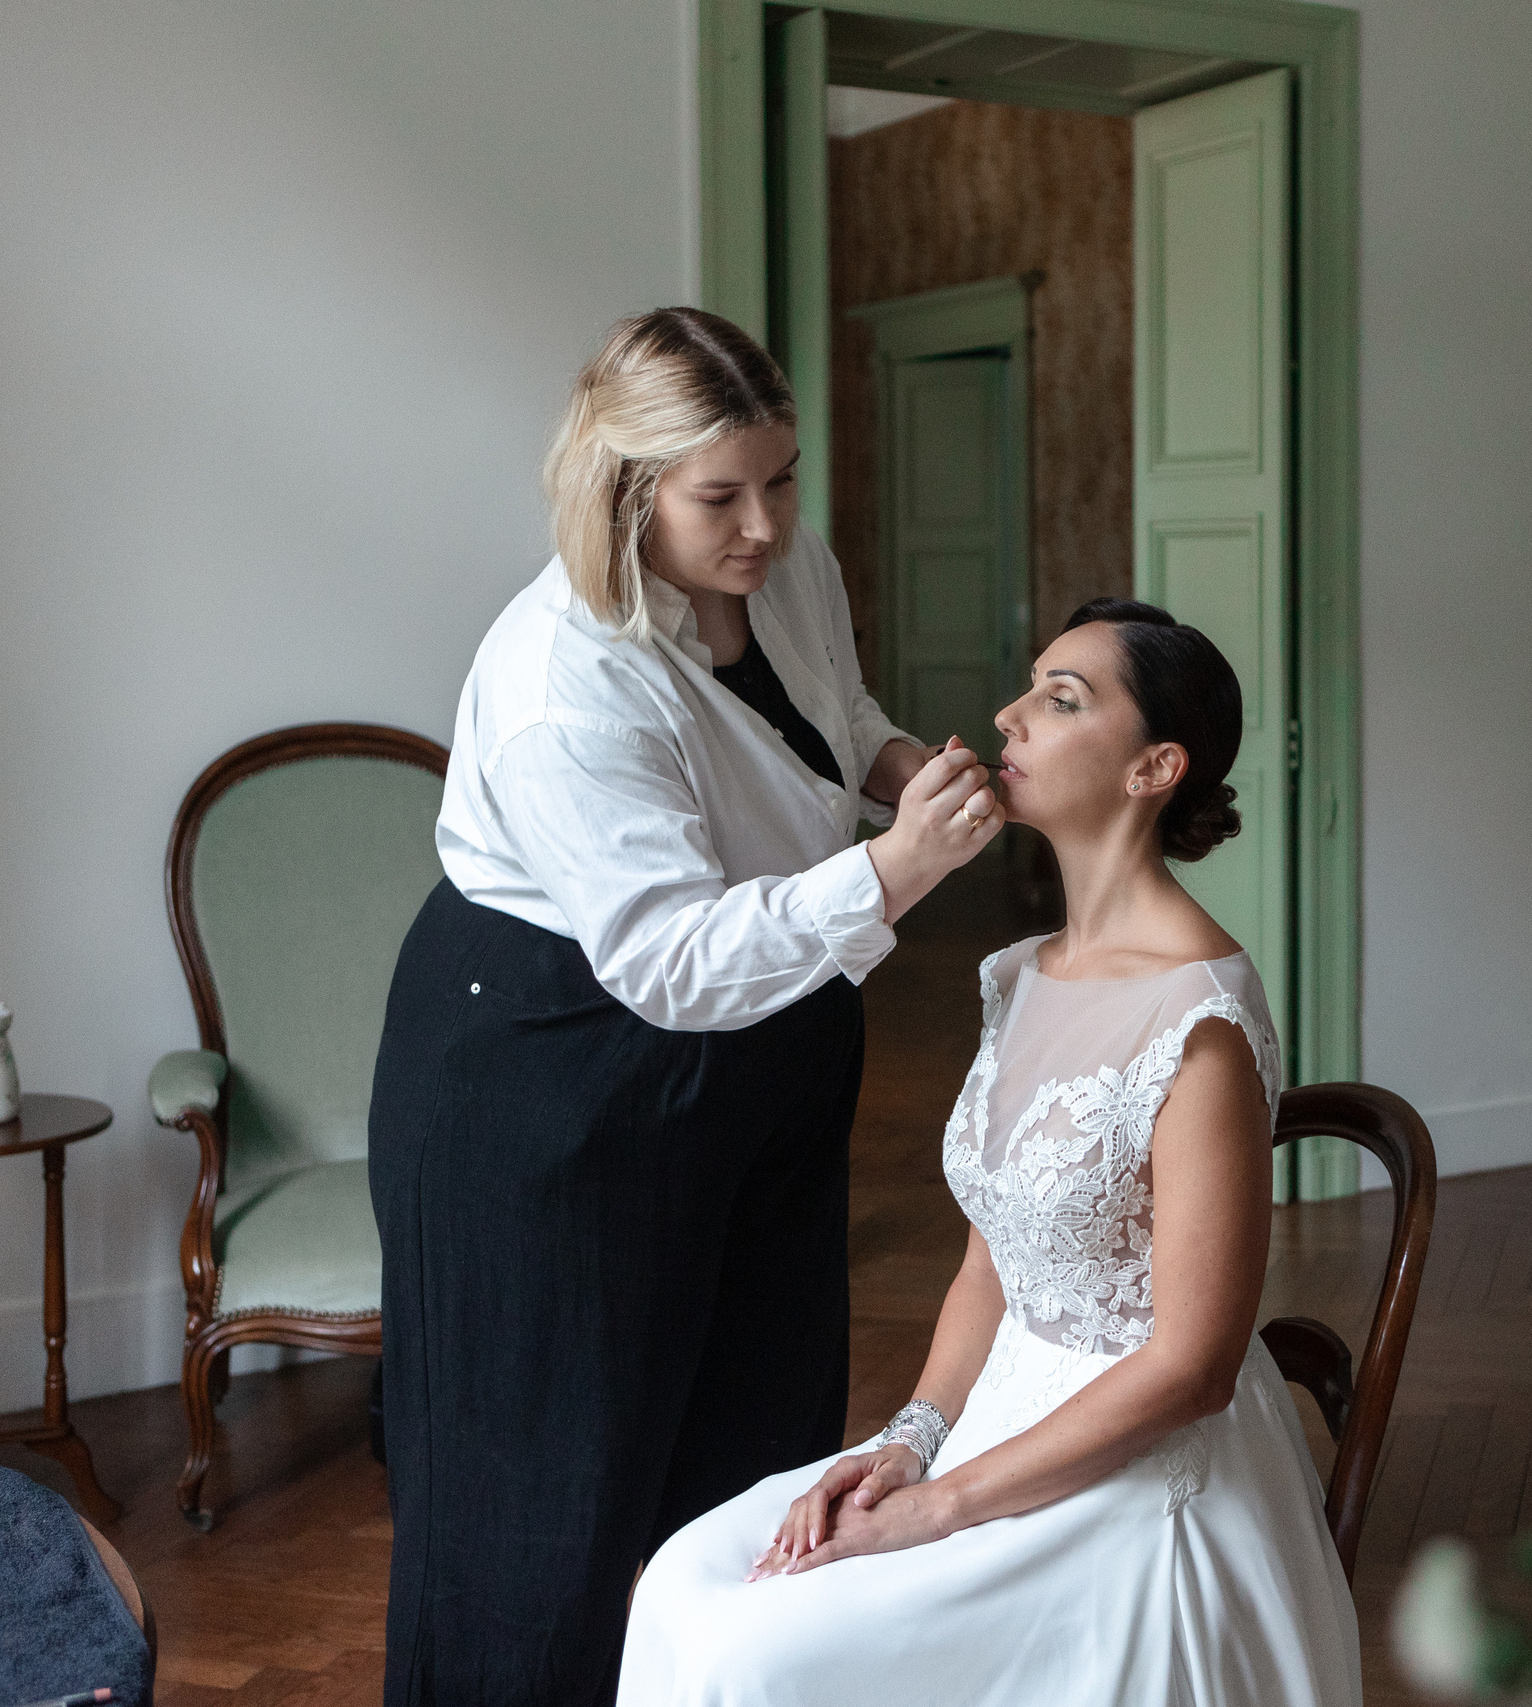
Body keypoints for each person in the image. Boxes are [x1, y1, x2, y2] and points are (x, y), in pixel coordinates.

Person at [367, 308, 1000, 1707]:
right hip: (553, 1067)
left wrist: (895, 765)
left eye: (782, 478)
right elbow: (664, 958)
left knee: (753, 1428)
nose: (767, 523)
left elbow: (829, 715)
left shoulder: (791, 566)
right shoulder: (561, 680)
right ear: (628, 486)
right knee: (551, 1485)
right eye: (724, 495)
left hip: (763, 1044)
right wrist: (894, 870)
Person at [615, 600, 1364, 1707]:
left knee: (754, 1653)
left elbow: (1193, 1371)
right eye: (1029, 687)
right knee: (682, 1580)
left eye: (1061, 700)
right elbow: (989, 1267)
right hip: (994, 1416)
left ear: (1154, 766)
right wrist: (909, 1443)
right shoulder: (1018, 975)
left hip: (1133, 1466)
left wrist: (940, 1507)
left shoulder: (1201, 1020)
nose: (1008, 715)